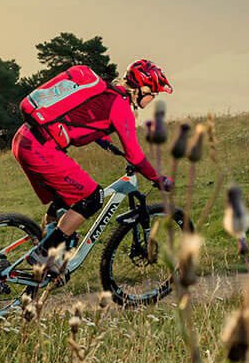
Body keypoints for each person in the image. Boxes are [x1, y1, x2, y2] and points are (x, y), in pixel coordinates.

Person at [12, 59, 174, 274]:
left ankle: (47, 245)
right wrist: (158, 179)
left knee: (64, 199)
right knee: (92, 198)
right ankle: (45, 254)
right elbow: (135, 156)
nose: (153, 98)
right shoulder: (120, 105)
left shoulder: (105, 92)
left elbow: (83, 118)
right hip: (41, 149)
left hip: (23, 139)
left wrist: (105, 142)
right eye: (153, 93)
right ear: (143, 88)